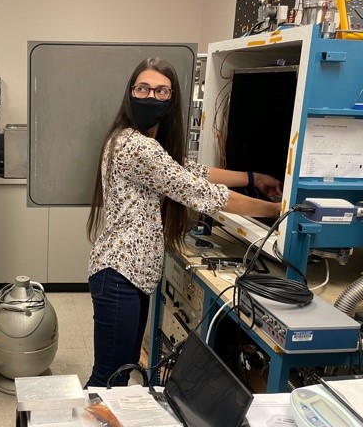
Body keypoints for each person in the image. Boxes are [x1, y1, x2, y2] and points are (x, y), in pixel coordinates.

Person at [84, 57, 282, 388]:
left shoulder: (143, 143)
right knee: (108, 379)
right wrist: (275, 210)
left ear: (172, 98)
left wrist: (253, 177)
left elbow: (190, 169)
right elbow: (198, 191)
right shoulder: (136, 145)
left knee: (118, 378)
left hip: (130, 277)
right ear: (130, 93)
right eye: (143, 88)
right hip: (118, 275)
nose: (151, 97)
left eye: (161, 91)